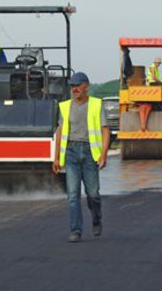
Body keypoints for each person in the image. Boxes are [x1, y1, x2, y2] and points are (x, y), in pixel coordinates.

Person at [52, 72, 111, 243]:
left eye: (77, 85)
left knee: (93, 194)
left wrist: (104, 154)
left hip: (90, 153)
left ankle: (96, 218)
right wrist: (56, 158)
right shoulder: (65, 107)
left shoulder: (95, 105)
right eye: (72, 86)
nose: (74, 89)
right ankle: (75, 230)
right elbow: (60, 131)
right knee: (72, 194)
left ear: (87, 86)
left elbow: (105, 130)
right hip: (71, 153)